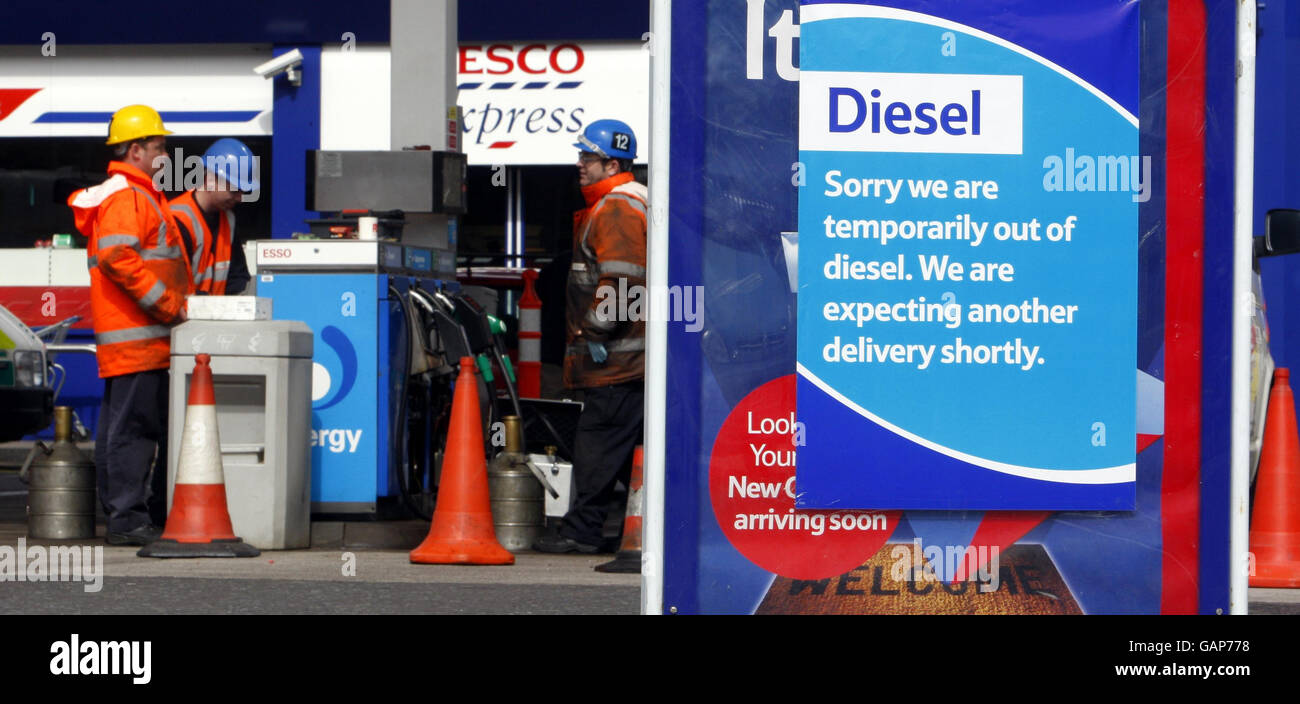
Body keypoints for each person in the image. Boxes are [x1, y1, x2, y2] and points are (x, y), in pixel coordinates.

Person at [68, 105, 191, 545]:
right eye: (159, 146)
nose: (164, 154)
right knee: (134, 431)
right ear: (136, 150)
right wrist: (169, 306)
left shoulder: (137, 194)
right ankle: (127, 520)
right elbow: (118, 258)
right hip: (139, 337)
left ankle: (128, 516)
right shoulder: (128, 197)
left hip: (138, 339)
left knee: (124, 429)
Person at [533, 119, 647, 554]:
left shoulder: (617, 207)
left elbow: (622, 284)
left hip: (615, 364)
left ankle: (582, 533)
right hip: (626, 364)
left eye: (588, 157)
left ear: (611, 163)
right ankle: (634, 531)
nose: (579, 164)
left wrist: (592, 331)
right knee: (623, 451)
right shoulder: (629, 202)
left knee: (597, 448)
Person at [169, 138, 255, 295]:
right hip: (183, 316)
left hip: (214, 315)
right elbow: (173, 287)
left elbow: (238, 279)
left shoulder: (228, 220)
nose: (240, 198)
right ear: (210, 180)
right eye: (235, 189)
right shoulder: (177, 219)